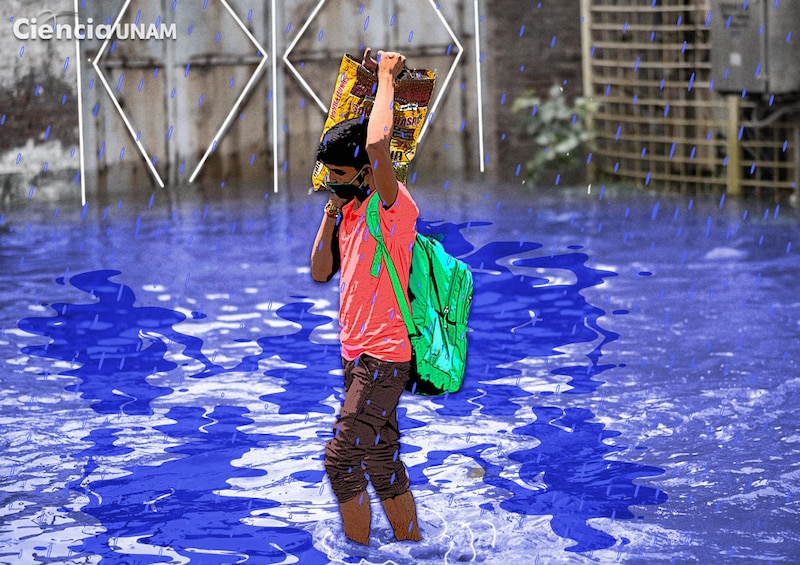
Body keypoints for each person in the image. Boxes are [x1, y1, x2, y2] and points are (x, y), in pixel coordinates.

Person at [310, 50, 421, 546]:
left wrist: (385, 79)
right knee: (379, 457)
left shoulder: (392, 209)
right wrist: (332, 211)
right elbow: (319, 271)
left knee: (340, 460)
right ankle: (411, 546)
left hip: (383, 357)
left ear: (364, 173)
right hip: (356, 357)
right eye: (328, 173)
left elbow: (377, 143)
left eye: (339, 173)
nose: (332, 180)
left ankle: (358, 556)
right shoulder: (351, 213)